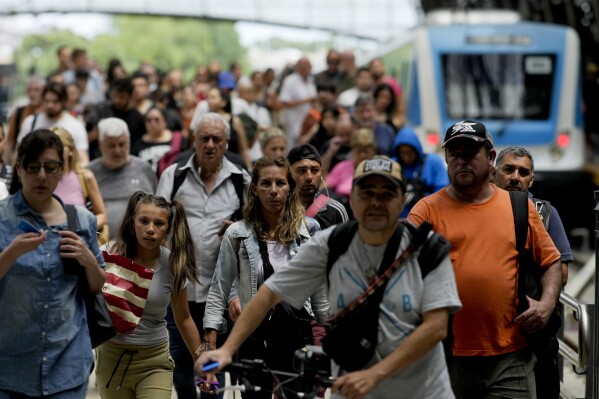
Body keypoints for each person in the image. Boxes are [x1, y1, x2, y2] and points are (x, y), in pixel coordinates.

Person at [197, 155, 461, 399]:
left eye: (387, 194)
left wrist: (375, 374)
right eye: (367, 193)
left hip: (421, 392)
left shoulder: (428, 250)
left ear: (402, 199)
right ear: (353, 198)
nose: (376, 203)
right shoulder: (331, 245)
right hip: (352, 391)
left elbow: (435, 328)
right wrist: (226, 349)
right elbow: (268, 294)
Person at [408, 120, 563, 398]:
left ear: (490, 157)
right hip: (444, 357)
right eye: (454, 154)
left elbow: (551, 262)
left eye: (470, 153)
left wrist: (546, 305)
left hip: (510, 357)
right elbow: (403, 275)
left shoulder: (519, 207)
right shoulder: (425, 212)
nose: (461, 161)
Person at [201, 156, 327, 398]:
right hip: (253, 336)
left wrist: (329, 334)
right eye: (266, 184)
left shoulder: (309, 230)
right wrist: (210, 341)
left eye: (280, 183)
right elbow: (219, 288)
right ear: (255, 190)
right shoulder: (237, 234)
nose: (273, 191)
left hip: (296, 334)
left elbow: (319, 290)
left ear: (290, 188)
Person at [0, 129, 106, 398]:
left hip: (67, 363)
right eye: (33, 167)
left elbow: (97, 285)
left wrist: (87, 258)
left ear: (62, 171)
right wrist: (12, 252)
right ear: (20, 169)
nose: (42, 176)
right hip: (10, 368)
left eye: (51, 167)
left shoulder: (82, 220)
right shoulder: (2, 217)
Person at [156, 112, 251, 399]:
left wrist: (240, 228)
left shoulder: (240, 180)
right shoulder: (173, 175)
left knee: (212, 371)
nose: (210, 145)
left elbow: (254, 230)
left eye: (216, 139)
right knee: (181, 370)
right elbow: (156, 223)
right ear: (193, 141)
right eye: (204, 138)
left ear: (226, 143)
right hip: (179, 290)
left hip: (220, 293)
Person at [95, 192, 204, 398]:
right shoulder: (109, 255)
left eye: (159, 223)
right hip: (112, 357)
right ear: (132, 222)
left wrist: (201, 361)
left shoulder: (173, 265)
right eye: (144, 221)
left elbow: (183, 317)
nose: (151, 229)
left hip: (154, 359)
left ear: (168, 229)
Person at [493, 146, 572, 399]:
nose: (515, 177)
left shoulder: (546, 213)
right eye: (508, 169)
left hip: (534, 333)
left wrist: (542, 304)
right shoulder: (478, 208)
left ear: (531, 179)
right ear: (494, 173)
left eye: (523, 172)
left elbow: (562, 270)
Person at [86, 118, 158, 240]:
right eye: (111, 146)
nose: (118, 150)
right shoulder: (88, 173)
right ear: (100, 145)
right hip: (102, 245)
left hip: (142, 245)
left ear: (129, 142)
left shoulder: (144, 168)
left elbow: (159, 206)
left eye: (122, 144)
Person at [17, 82, 90, 166]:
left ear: (63, 101)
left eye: (55, 101)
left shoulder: (76, 126)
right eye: (47, 101)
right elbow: (19, 153)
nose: (50, 105)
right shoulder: (30, 122)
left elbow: (83, 159)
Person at [52, 127, 108, 234]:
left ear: (71, 150)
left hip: (79, 240)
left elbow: (102, 216)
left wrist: (83, 228)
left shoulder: (84, 176)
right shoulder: (42, 178)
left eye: (60, 145)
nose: (55, 151)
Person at [392, 126, 449, 217]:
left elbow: (443, 192)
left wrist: (423, 197)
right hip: (400, 219)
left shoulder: (433, 162)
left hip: (429, 216)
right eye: (403, 153)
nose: (407, 157)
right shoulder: (393, 165)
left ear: (416, 149)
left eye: (410, 152)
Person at [288, 144, 349, 227]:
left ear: (321, 173)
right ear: (289, 174)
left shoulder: (335, 211)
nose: (309, 177)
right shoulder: (279, 207)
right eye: (302, 170)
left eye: (315, 170)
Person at [326, 128, 376, 217]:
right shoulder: (342, 167)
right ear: (352, 150)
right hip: (341, 216)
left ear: (374, 150)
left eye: (366, 150)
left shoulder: (379, 171)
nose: (363, 155)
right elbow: (324, 189)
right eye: (359, 150)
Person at [278, 57, 317, 149]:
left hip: (308, 123)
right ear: (298, 67)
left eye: (308, 66)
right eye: (303, 66)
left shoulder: (311, 81)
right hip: (293, 123)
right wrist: (306, 100)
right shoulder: (290, 80)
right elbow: (284, 102)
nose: (306, 69)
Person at [132, 107, 185, 174]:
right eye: (149, 120)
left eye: (157, 120)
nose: (153, 123)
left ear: (165, 122)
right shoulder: (138, 144)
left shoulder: (177, 140)